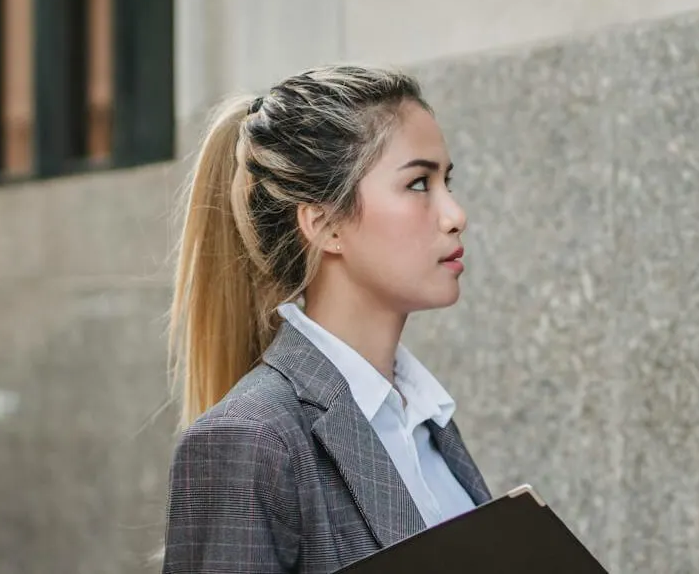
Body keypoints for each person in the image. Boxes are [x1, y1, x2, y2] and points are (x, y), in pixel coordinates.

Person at [161, 65, 489, 573]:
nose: (455, 213)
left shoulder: (425, 420)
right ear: (326, 224)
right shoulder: (250, 439)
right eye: (420, 184)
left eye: (447, 181)